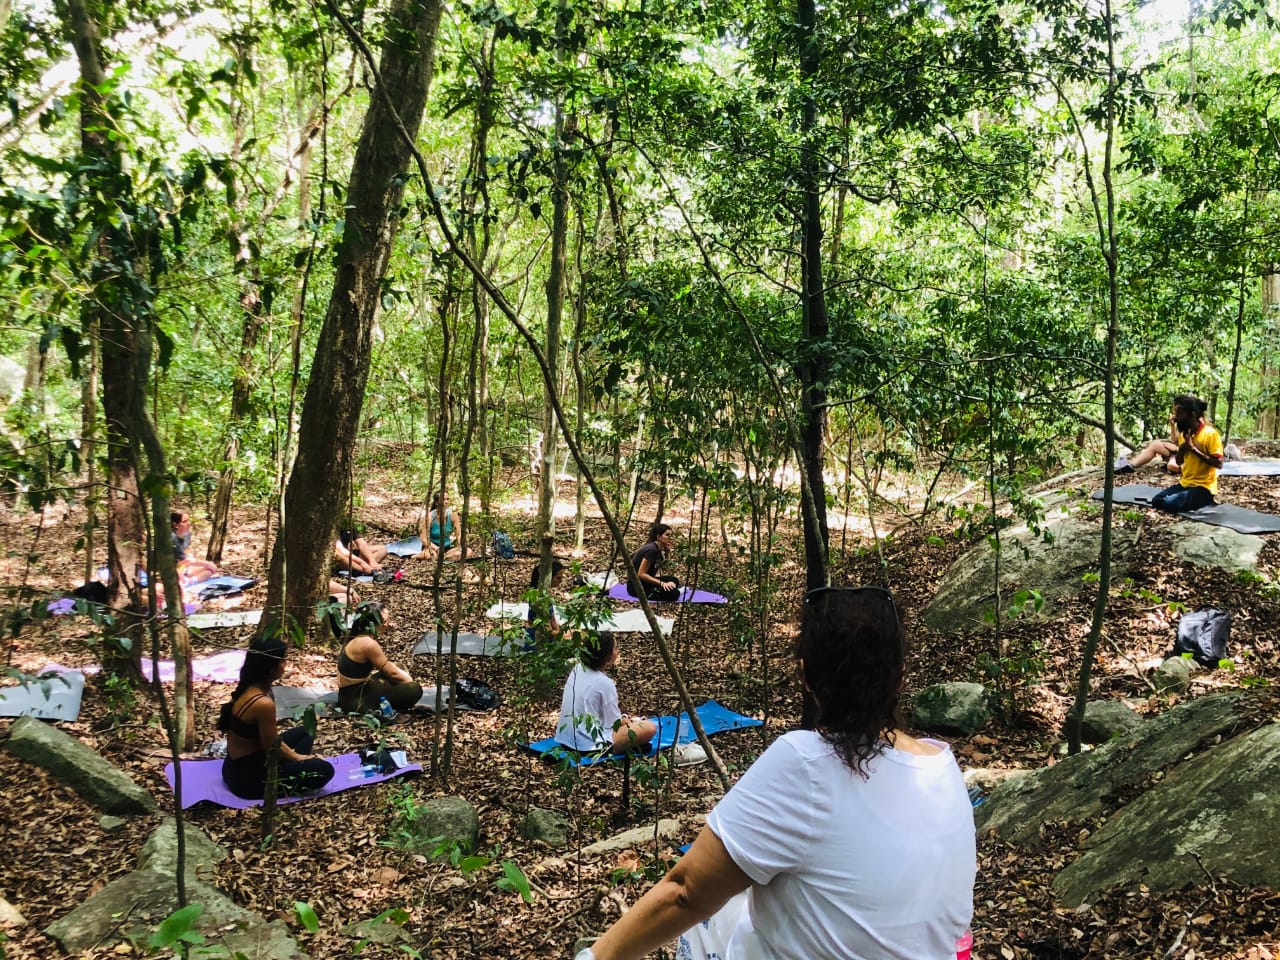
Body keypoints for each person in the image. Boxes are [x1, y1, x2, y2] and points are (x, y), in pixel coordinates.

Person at [576, 586, 976, 960]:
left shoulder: (805, 762)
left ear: (805, 676)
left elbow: (684, 893)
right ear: (900, 676)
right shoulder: (941, 766)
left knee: (706, 918)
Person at [217, 633, 335, 800]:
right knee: (324, 770)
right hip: (247, 780)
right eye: (282, 661)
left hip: (235, 766)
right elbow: (271, 746)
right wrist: (298, 758)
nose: (285, 664)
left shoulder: (249, 687)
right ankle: (288, 770)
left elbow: (270, 741)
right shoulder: (262, 703)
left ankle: (290, 767)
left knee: (306, 731)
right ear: (270, 668)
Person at [556, 632, 657, 756]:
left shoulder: (577, 668)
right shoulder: (604, 683)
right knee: (650, 727)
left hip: (565, 740)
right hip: (589, 746)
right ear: (607, 656)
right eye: (615, 648)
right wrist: (627, 721)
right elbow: (613, 723)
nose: (618, 651)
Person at [335, 601, 423, 716]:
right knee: (415, 689)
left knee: (399, 666)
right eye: (385, 621)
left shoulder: (356, 636)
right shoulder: (368, 644)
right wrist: (409, 683)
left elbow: (388, 667)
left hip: (351, 692)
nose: (389, 623)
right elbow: (392, 673)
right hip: (355, 700)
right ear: (373, 624)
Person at [1147, 394, 1224, 514]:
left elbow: (1218, 464)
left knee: (1169, 503)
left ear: (1192, 415)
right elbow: (1179, 462)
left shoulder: (1210, 434)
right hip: (1185, 483)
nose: (1175, 417)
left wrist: (1193, 449)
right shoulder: (1184, 434)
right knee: (1156, 501)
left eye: (1179, 413)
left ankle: (1206, 501)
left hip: (1204, 487)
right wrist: (1182, 449)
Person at [630, 522, 681, 601]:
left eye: (671, 535)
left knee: (674, 580)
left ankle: (668, 588)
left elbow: (664, 568)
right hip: (637, 586)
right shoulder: (652, 550)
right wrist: (662, 583)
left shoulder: (658, 549)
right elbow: (641, 574)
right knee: (674, 594)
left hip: (646, 582)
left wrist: (667, 552)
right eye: (667, 535)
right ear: (659, 537)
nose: (670, 538)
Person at [525, 558, 567, 649]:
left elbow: (552, 620)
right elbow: (547, 630)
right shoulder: (538, 599)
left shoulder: (545, 595)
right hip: (537, 642)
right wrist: (561, 635)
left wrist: (559, 631)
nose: (561, 581)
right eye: (558, 578)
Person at [170, 512, 219, 584]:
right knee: (210, 566)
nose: (189, 524)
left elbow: (186, 555)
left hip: (184, 567)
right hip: (174, 570)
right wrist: (207, 563)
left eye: (188, 520)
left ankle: (189, 581)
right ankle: (185, 582)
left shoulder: (186, 535)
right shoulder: (172, 538)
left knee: (211, 569)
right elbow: (183, 560)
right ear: (175, 525)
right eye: (184, 521)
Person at [416, 491, 466, 561]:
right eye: (443, 499)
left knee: (468, 552)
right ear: (436, 503)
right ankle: (415, 556)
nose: (446, 502)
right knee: (431, 556)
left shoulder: (453, 515)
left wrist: (461, 545)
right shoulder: (429, 517)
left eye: (447, 499)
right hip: (432, 548)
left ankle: (445, 558)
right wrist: (436, 548)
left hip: (447, 548)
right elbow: (424, 539)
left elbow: (459, 534)